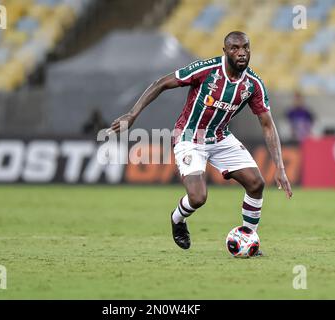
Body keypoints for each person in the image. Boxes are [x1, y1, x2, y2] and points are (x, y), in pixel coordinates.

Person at [108, 31, 292, 253]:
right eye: (235, 48)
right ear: (225, 52)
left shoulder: (253, 85)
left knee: (256, 183)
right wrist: (132, 115)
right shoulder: (207, 70)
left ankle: (249, 237)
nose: (241, 53)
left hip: (221, 137)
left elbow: (268, 125)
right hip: (189, 137)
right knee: (198, 197)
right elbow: (161, 83)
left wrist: (280, 168)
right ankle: (177, 219)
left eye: (245, 47)